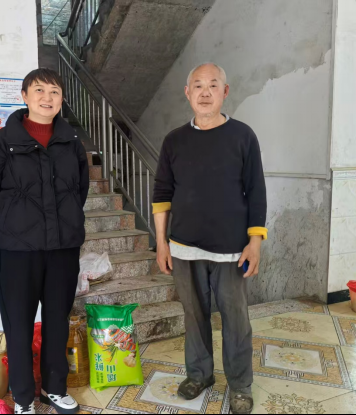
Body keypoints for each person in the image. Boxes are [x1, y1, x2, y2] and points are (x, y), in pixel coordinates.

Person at [152, 63, 267, 415]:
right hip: (183, 247)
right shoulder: (174, 140)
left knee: (236, 319)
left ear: (224, 92)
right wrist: (161, 242)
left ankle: (240, 385)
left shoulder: (243, 136)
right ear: (187, 93)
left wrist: (255, 242)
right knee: (194, 315)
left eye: (213, 85)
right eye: (198, 85)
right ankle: (199, 374)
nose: (205, 92)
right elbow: (162, 195)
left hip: (232, 249)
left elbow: (257, 191)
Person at [0, 68, 89, 415]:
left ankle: (55, 389)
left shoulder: (71, 143)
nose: (46, 98)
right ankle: (23, 397)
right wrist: (7, 229)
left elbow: (79, 190)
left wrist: (67, 223)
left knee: (57, 321)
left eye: (54, 92)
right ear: (24, 97)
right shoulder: (0, 142)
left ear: (62, 99)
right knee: (19, 325)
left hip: (62, 250)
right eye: (39, 90)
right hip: (18, 253)